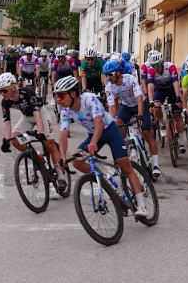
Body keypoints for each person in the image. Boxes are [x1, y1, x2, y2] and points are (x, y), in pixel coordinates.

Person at [54, 75, 147, 218]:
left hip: (109, 130)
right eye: (56, 96)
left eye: (60, 95)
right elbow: (63, 133)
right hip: (94, 134)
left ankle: (141, 206)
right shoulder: (65, 110)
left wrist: (93, 143)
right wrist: (62, 157)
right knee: (77, 161)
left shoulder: (89, 99)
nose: (58, 100)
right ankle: (107, 180)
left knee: (125, 166)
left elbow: (99, 122)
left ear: (73, 94)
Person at [0, 72, 67, 189]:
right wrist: (7, 140)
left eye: (4, 91)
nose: (2, 94)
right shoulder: (5, 101)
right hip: (26, 117)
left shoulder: (27, 93)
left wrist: (40, 132)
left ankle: (60, 176)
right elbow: (7, 123)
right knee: (15, 139)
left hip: (40, 113)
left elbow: (37, 113)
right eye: (0, 91)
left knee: (49, 144)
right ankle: (36, 156)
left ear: (13, 88)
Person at [103, 60, 161, 179]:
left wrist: (140, 115)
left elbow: (139, 98)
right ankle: (128, 144)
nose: (108, 78)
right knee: (117, 125)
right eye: (106, 75)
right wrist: (113, 120)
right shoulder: (109, 87)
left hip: (140, 105)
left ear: (118, 73)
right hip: (127, 107)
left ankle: (155, 164)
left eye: (110, 75)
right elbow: (112, 106)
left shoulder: (130, 79)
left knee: (147, 133)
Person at [146, 50, 184, 152]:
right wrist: (150, 102)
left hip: (172, 89)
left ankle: (182, 142)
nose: (155, 68)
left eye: (157, 65)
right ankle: (163, 124)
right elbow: (150, 87)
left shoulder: (170, 67)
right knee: (156, 108)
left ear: (162, 62)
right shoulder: (151, 71)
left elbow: (176, 82)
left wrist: (178, 97)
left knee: (177, 115)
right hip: (160, 90)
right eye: (153, 65)